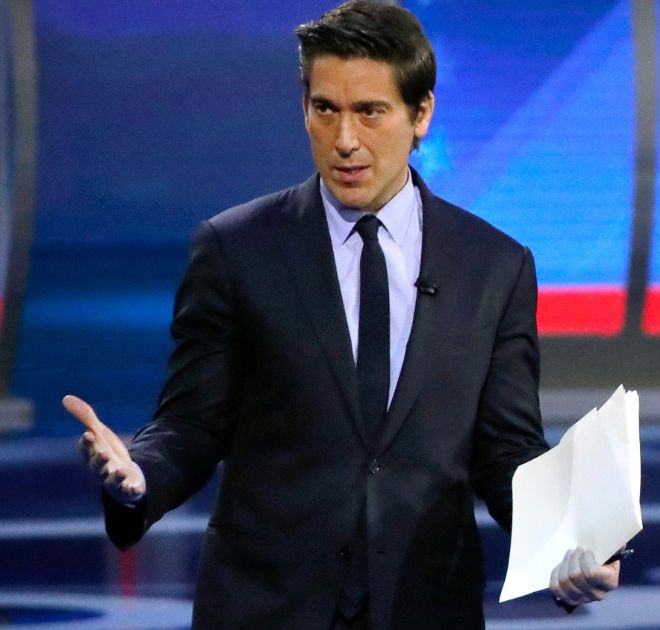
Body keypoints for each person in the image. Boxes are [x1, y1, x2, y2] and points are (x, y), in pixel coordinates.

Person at [66, 2, 619, 628]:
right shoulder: (235, 248)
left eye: (370, 112)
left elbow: (505, 449)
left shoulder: (494, 266)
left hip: (424, 606)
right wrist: (140, 470)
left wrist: (565, 544)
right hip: (268, 607)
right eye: (325, 109)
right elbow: (193, 420)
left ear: (422, 115)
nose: (345, 139)